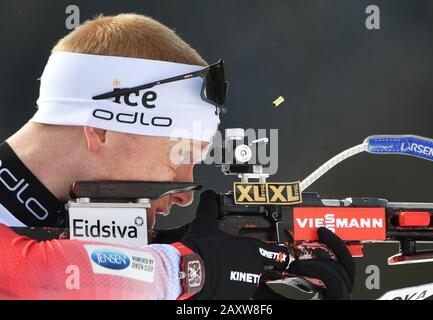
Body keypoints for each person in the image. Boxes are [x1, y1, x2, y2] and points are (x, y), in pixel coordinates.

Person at [0, 13, 354, 300]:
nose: (186, 191)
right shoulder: (42, 263)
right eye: (178, 154)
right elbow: (35, 276)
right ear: (102, 128)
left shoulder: (74, 239)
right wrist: (197, 270)